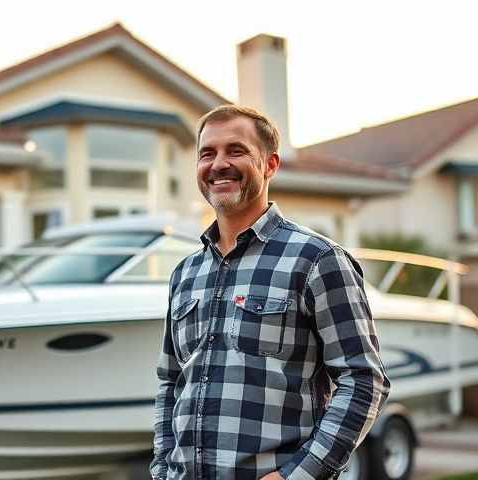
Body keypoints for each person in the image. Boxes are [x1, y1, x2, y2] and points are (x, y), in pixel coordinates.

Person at [150, 105, 391, 480]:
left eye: (236, 150)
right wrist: (163, 470)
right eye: (207, 153)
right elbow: (170, 383)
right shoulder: (185, 273)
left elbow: (363, 380)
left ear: (270, 164)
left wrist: (299, 475)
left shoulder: (317, 259)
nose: (218, 164)